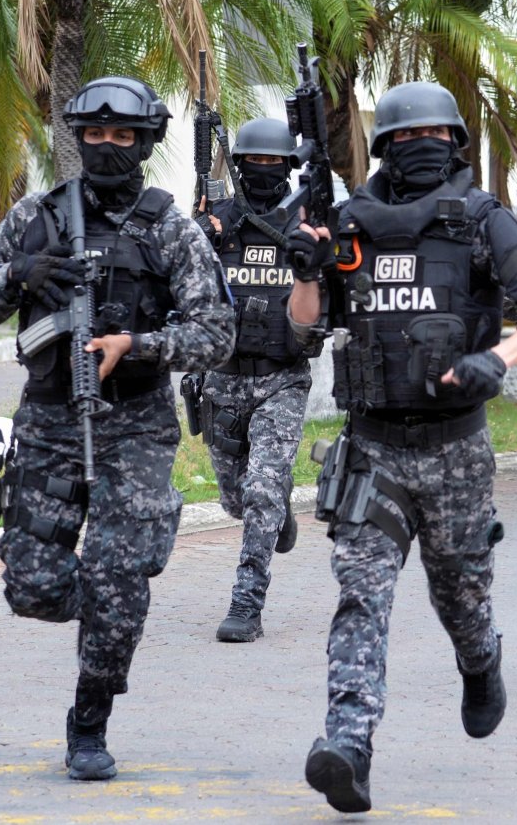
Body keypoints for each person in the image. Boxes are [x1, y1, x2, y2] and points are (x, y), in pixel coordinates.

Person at [287, 81, 517, 814]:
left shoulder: (480, 220)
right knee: (361, 598)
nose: (420, 150)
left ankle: (481, 663)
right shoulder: (345, 221)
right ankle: (348, 745)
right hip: (372, 448)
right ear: (383, 149)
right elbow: (302, 327)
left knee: (462, 594)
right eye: (406, 141)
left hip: (456, 452)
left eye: (434, 141)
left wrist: (499, 360)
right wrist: (306, 271)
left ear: (455, 147)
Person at [0, 76, 234, 780]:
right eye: (96, 135)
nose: (107, 146)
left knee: (114, 577)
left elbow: (215, 332)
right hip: (49, 420)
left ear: (144, 143)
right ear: (79, 139)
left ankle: (90, 718)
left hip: (135, 424)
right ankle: (122, 588)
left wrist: (136, 347)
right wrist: (22, 273)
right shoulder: (35, 216)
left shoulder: (170, 226)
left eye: (123, 136)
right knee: (34, 587)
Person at [191, 117, 319, 643]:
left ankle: (247, 601)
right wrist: (196, 240)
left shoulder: (303, 225)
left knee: (263, 488)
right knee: (238, 500)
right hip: (222, 379)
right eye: (254, 162)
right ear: (237, 164)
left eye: (274, 163)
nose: (264, 171)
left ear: (289, 168)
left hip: (281, 379)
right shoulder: (214, 221)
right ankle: (274, 516)